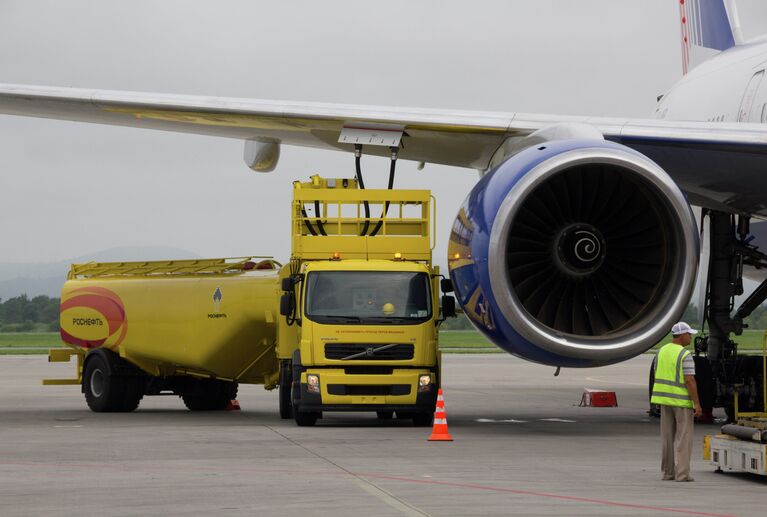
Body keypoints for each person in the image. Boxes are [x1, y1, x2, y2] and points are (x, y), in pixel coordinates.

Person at [650, 322, 703, 482]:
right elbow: (689, 380)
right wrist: (697, 404)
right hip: (681, 402)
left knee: (667, 438)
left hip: (664, 401)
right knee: (683, 438)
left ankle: (668, 473)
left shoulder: (661, 352)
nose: (691, 336)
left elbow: (656, 375)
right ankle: (682, 474)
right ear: (681, 336)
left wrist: (658, 400)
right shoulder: (684, 354)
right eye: (689, 334)